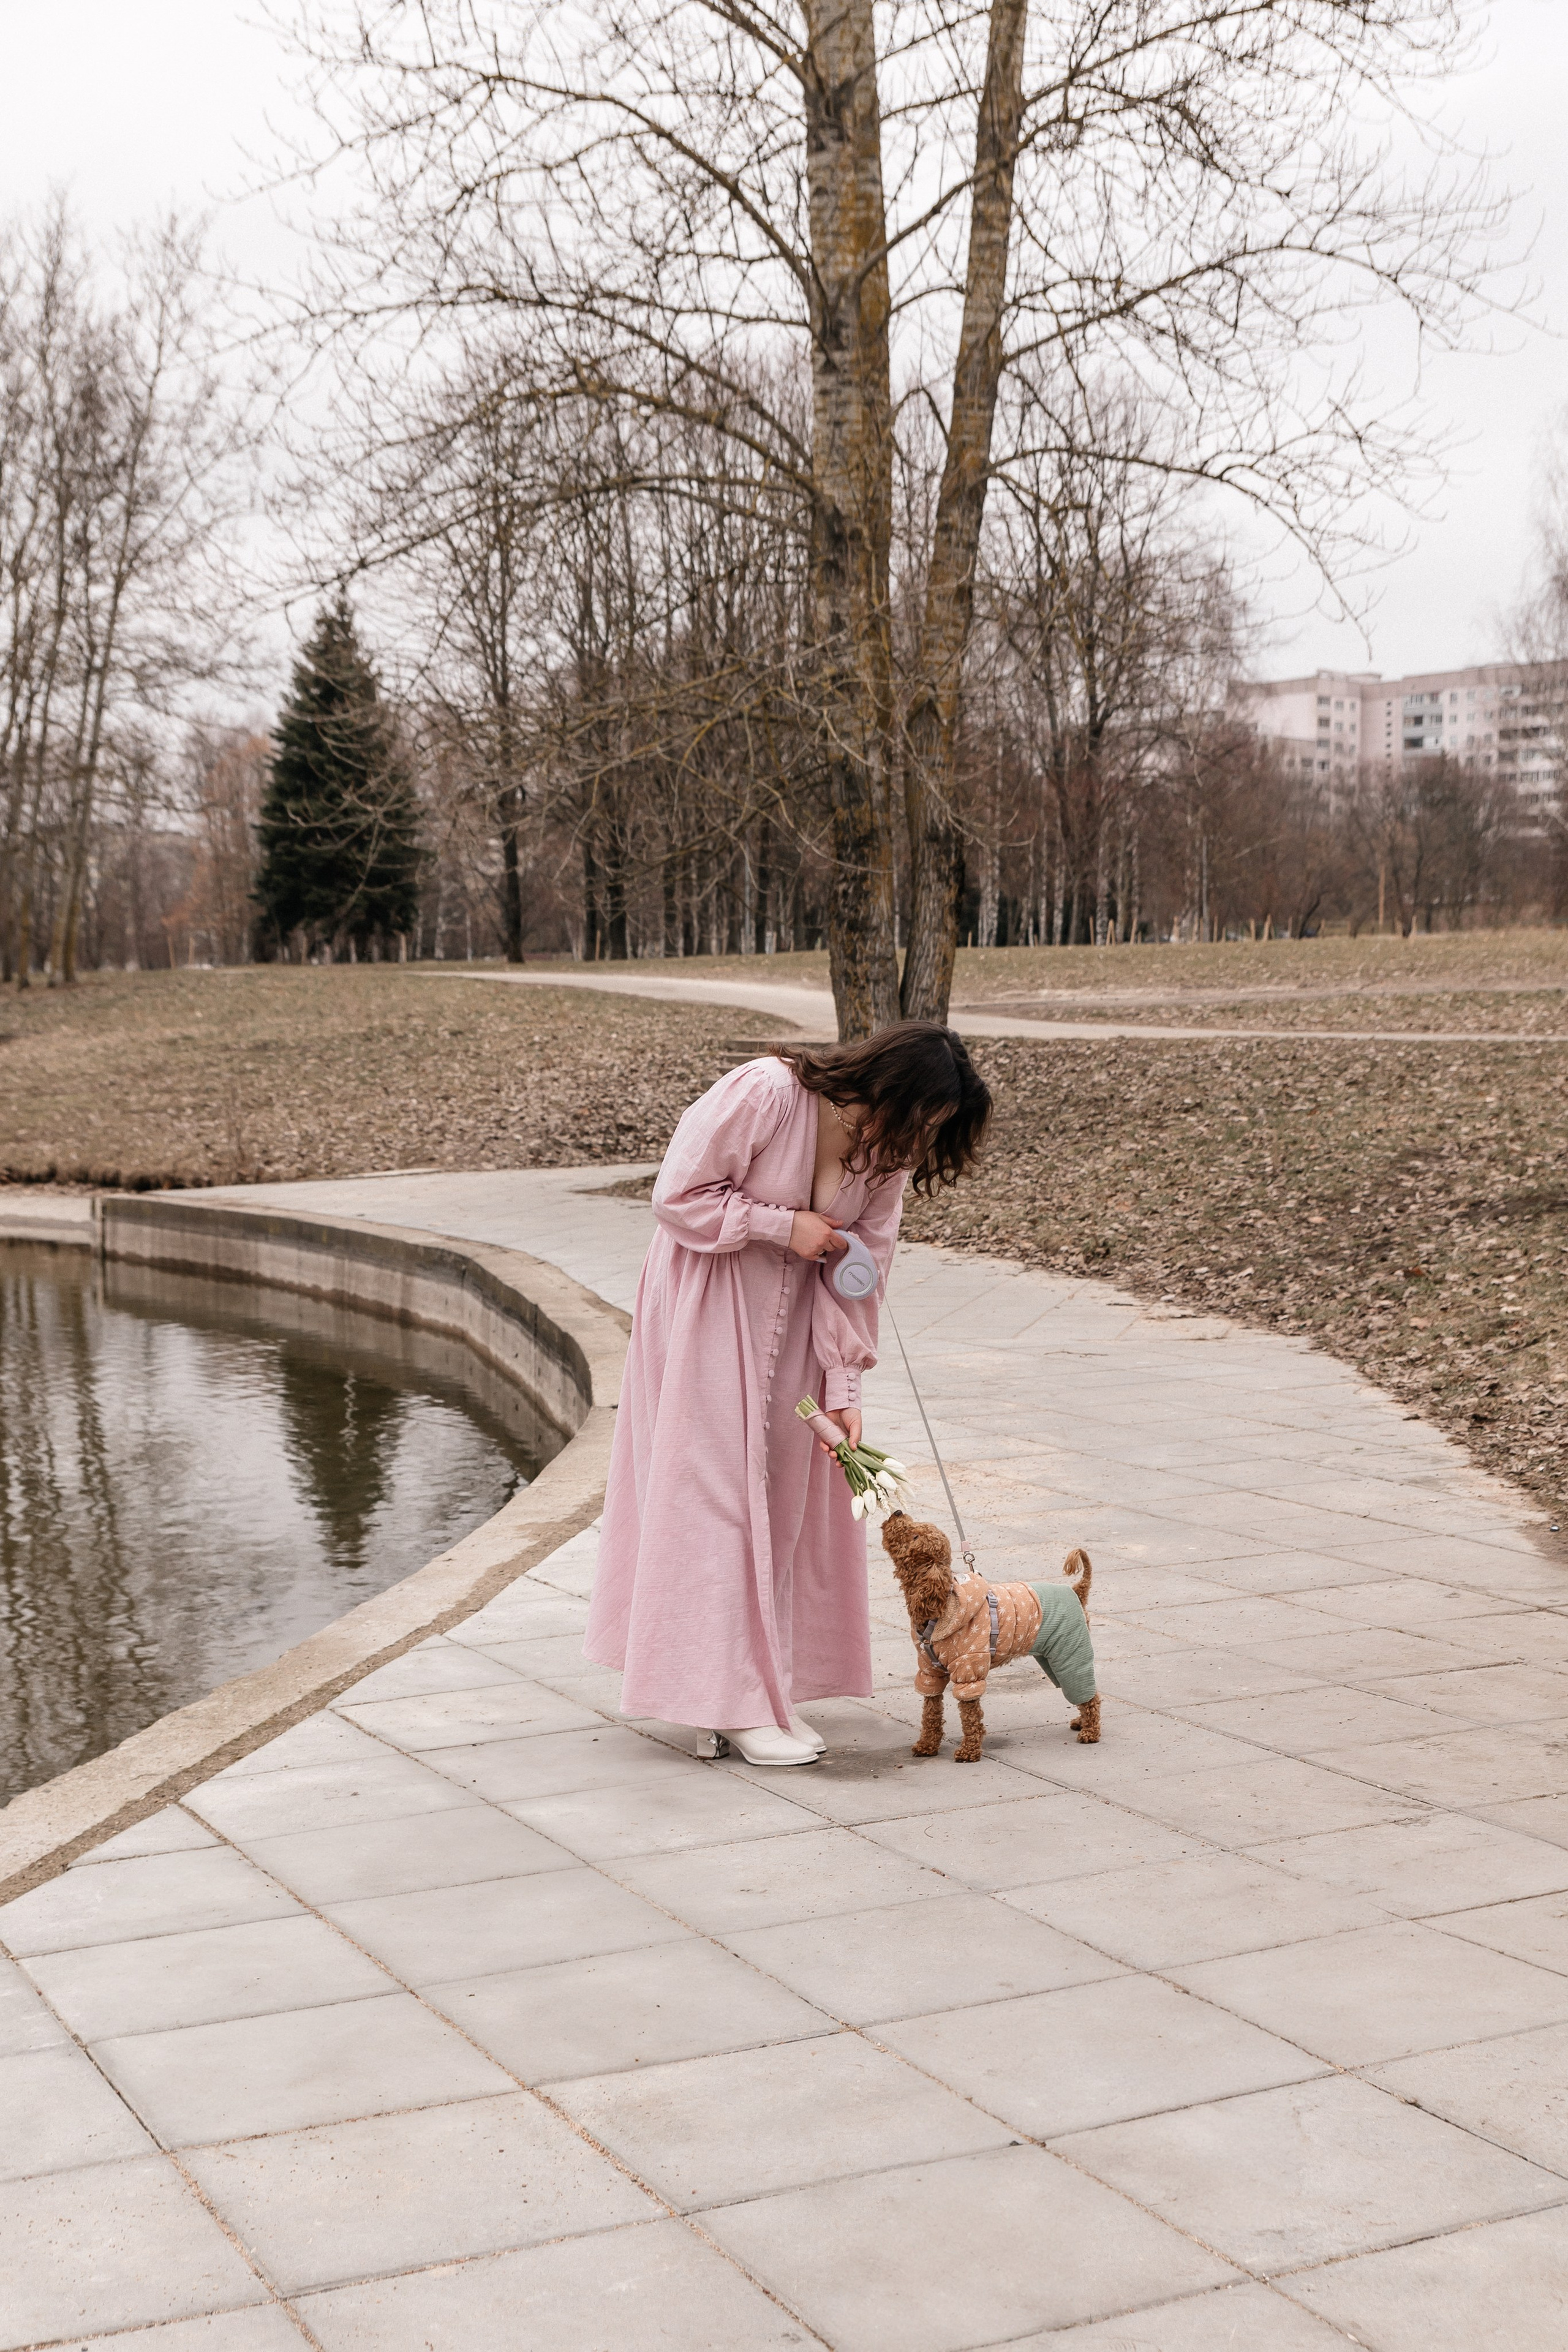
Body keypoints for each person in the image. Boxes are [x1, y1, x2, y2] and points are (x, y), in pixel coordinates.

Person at [584, 1021, 992, 1765]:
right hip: (708, 1308)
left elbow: (864, 1270)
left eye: (935, 1132)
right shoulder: (769, 1094)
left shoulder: (886, 1160)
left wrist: (843, 1382)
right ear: (888, 1091)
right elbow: (676, 1196)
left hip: (799, 1328)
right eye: (922, 1121)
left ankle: (756, 1689)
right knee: (712, 1499)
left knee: (776, 1503)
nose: (920, 1144)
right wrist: (781, 1224)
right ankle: (726, 1702)